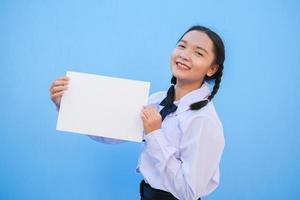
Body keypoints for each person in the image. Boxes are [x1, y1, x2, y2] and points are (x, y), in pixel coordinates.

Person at [49, 25, 225, 200]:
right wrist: (69, 105)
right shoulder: (157, 100)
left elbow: (189, 192)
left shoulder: (203, 120)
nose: (185, 55)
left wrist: (155, 134)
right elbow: (111, 134)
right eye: (182, 45)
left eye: (199, 53)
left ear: (212, 69)